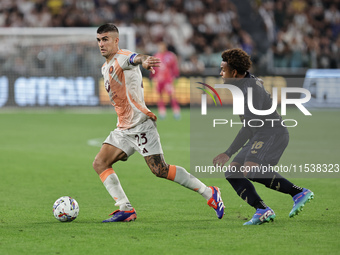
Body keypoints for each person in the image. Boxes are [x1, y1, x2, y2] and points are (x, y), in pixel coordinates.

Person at [93, 23, 224, 222]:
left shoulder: (122, 58)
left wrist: (144, 61)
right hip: (123, 128)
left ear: (116, 41)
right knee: (100, 163)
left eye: (105, 39)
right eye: (99, 40)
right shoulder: (105, 66)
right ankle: (125, 208)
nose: (101, 44)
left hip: (140, 125)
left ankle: (210, 193)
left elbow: (137, 58)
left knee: (160, 170)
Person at [213, 48, 314, 225]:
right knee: (232, 172)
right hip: (260, 133)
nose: (220, 73)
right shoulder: (244, 84)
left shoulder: (249, 90)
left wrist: (228, 152)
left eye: (223, 70)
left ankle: (298, 192)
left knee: (251, 169)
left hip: (272, 133)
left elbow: (249, 126)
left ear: (234, 72)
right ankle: (262, 210)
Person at [151, 42, 180, 119]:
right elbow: (153, 68)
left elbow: (174, 67)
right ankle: (162, 112)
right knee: (160, 96)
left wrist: (174, 76)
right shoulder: (156, 56)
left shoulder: (170, 56)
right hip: (159, 80)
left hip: (168, 79)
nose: (160, 48)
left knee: (172, 95)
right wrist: (153, 76)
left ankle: (176, 112)